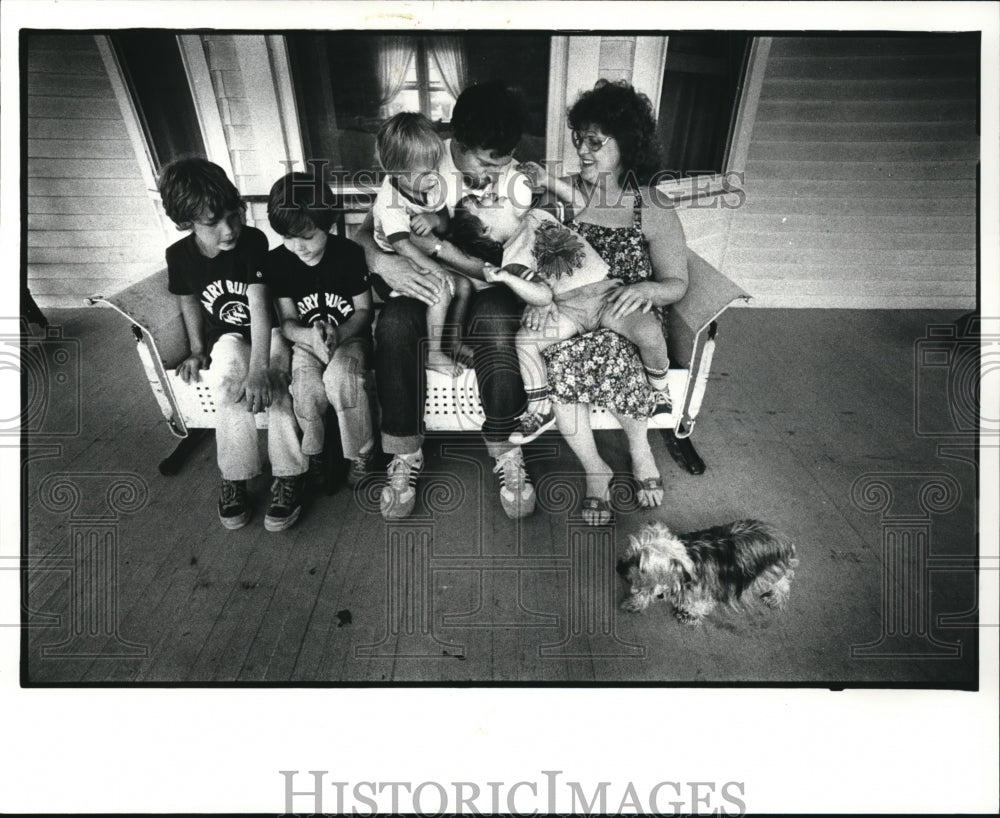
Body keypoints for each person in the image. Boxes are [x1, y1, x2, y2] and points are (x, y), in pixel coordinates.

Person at [354, 82, 537, 521]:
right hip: (428, 281)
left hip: (490, 288)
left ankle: (505, 448)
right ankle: (404, 453)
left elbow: (521, 254)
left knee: (496, 326)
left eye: (504, 161)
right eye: (486, 162)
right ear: (459, 141)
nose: (495, 172)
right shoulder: (422, 159)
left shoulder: (519, 182)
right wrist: (382, 263)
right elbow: (367, 232)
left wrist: (445, 253)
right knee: (396, 323)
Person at [527, 80, 690, 525]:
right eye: (579, 139)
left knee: (612, 349)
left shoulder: (651, 205)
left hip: (628, 314)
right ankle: (595, 470)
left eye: (595, 142)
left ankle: (640, 454)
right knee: (561, 353)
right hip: (572, 311)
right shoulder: (561, 196)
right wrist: (539, 294)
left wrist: (648, 291)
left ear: (627, 144)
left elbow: (676, 282)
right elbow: (528, 248)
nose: (582, 150)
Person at [447, 193, 673, 448]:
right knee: (524, 341)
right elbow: (543, 296)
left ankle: (660, 389)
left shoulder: (539, 214)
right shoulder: (512, 259)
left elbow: (581, 206)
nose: (487, 194)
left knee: (649, 331)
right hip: (568, 311)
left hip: (606, 296)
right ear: (486, 229)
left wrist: (546, 180)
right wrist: (507, 279)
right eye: (479, 203)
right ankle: (540, 408)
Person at [160, 158, 308, 532]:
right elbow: (188, 300)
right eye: (213, 223)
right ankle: (236, 476)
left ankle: (289, 473)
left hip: (268, 333)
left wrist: (260, 368)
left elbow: (259, 307)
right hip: (225, 337)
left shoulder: (252, 242)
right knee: (226, 382)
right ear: (185, 222)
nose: (230, 229)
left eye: (234, 215)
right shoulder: (179, 256)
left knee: (275, 384)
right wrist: (196, 349)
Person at [263, 171, 375, 491]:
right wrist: (308, 337)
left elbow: (364, 311)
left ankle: (361, 452)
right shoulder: (280, 262)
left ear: (326, 224)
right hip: (306, 343)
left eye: (309, 236)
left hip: (350, 339)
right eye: (289, 237)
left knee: (342, 379)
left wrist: (340, 333)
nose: (299, 247)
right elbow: (287, 321)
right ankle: (316, 452)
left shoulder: (348, 254)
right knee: (307, 387)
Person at [371, 112, 474, 376]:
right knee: (441, 288)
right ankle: (434, 353)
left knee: (463, 285)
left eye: (436, 168)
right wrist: (436, 270)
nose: (434, 176)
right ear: (398, 173)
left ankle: (453, 340)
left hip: (419, 253)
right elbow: (402, 245)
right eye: (427, 171)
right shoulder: (389, 198)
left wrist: (432, 218)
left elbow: (443, 220)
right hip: (395, 263)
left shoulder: (430, 184)